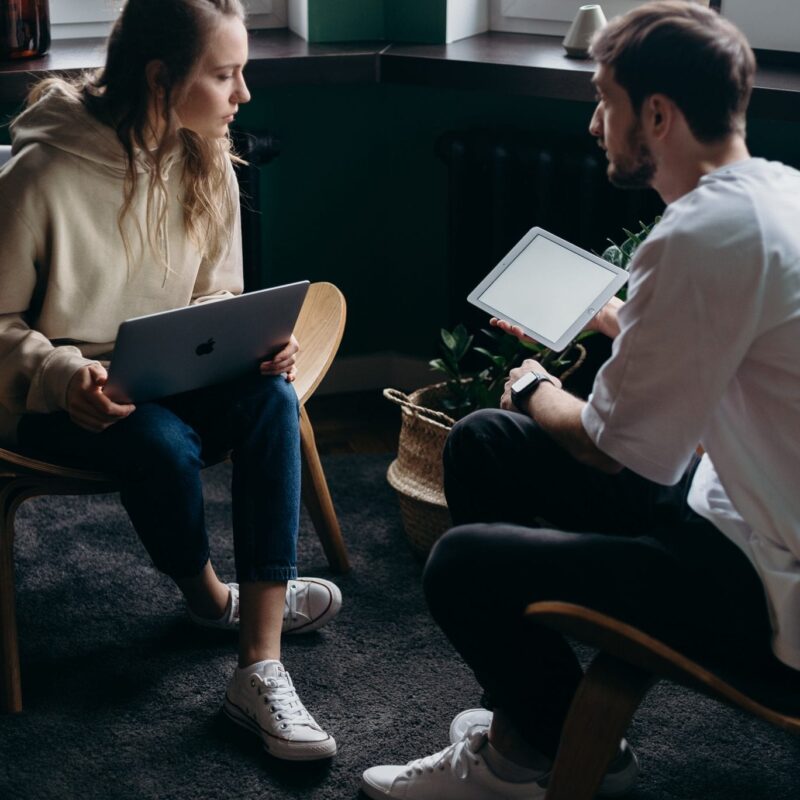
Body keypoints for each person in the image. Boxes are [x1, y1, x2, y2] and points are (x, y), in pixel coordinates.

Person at [362, 2, 800, 797]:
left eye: (605, 100)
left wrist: (534, 388)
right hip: (730, 512)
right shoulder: (775, 197)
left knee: (460, 564)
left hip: (763, 593)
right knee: (482, 443)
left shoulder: (696, 234)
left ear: (658, 114)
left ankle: (537, 751)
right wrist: (618, 319)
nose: (596, 124)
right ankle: (536, 727)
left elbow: (608, 447)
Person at [0, 0, 339, 762]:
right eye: (225, 75)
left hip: (171, 373)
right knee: (158, 441)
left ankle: (259, 664)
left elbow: (215, 296)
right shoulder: (42, 172)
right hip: (65, 399)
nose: (243, 94)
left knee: (268, 397)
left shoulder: (206, 151)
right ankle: (208, 600)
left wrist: (256, 345)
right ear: (161, 79)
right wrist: (63, 375)